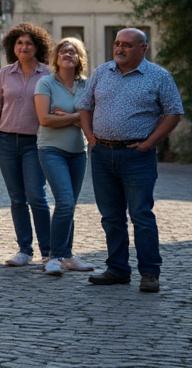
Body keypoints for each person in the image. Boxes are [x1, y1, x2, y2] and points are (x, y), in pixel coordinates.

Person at [78, 28, 185, 293]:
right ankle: (117, 269)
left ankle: (149, 273)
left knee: (141, 215)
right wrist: (90, 137)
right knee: (111, 217)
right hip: (102, 154)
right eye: (117, 44)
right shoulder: (102, 72)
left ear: (143, 48)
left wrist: (150, 143)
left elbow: (173, 113)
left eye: (127, 45)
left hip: (137, 156)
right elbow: (84, 105)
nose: (120, 49)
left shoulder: (158, 77)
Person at [0, 23, 53, 267]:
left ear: (37, 47)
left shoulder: (48, 74)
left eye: (28, 43)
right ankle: (24, 249)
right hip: (6, 141)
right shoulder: (5, 73)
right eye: (19, 43)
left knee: (37, 196)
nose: (23, 47)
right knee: (17, 198)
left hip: (36, 143)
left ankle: (48, 250)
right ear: (12, 46)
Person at [34, 37, 96, 276]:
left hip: (78, 152)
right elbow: (45, 120)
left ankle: (68, 255)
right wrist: (76, 117)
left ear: (80, 58)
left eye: (73, 52)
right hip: (51, 149)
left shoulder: (86, 85)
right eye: (63, 52)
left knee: (70, 205)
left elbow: (93, 117)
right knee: (65, 201)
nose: (67, 55)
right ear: (56, 58)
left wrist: (67, 116)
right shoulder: (46, 83)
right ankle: (54, 256)